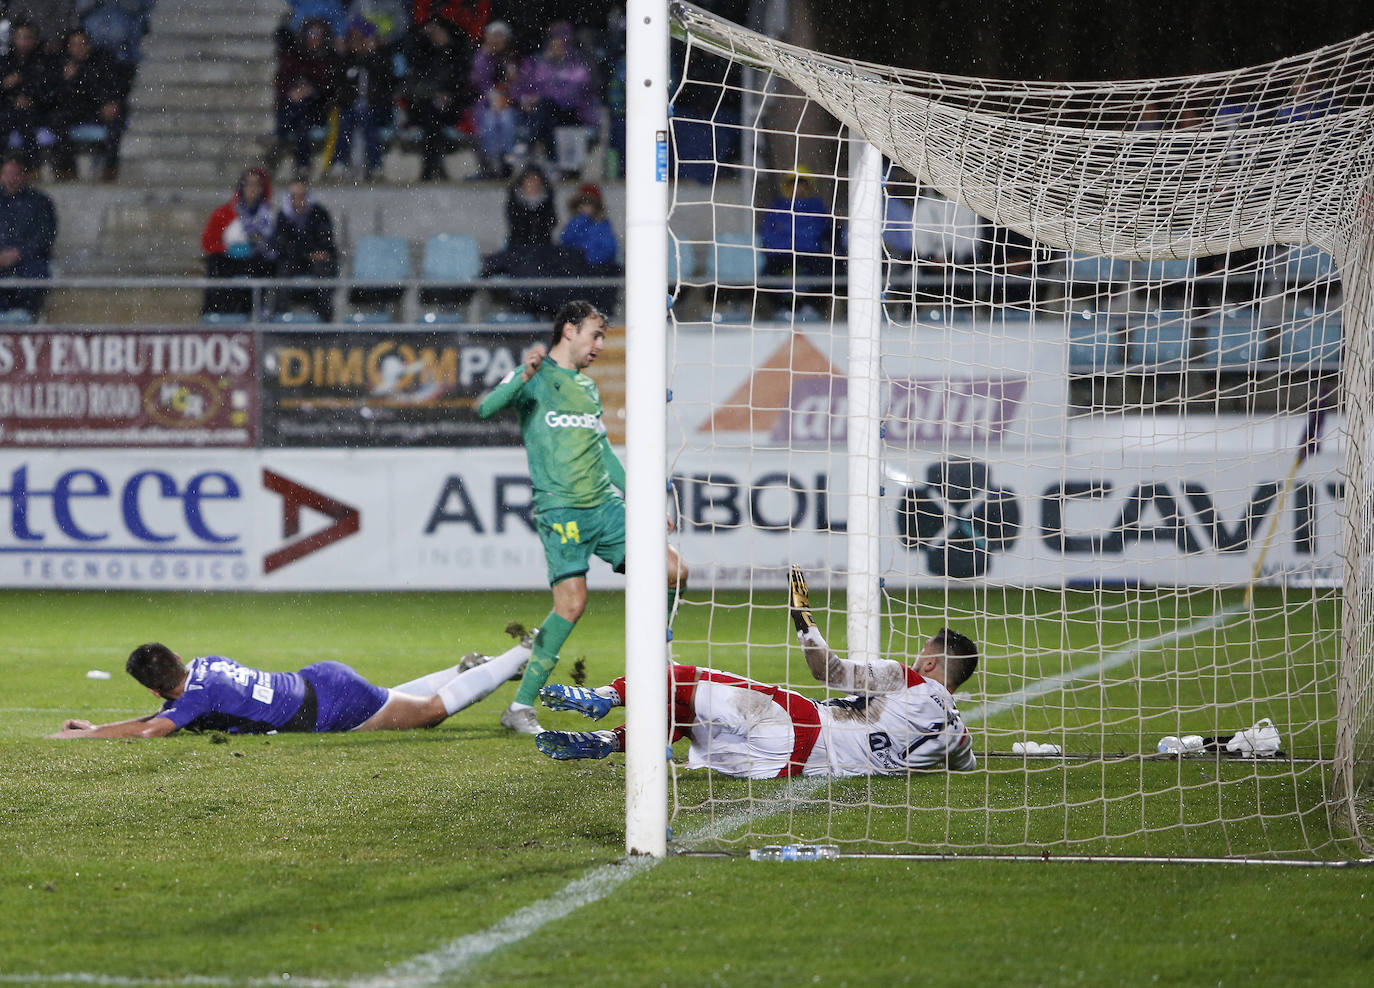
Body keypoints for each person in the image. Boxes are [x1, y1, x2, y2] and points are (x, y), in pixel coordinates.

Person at [536, 566, 977, 776]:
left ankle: (604, 696)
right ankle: (607, 740)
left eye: (922, 655)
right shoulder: (959, 738)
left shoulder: (910, 679)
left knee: (682, 678)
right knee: (687, 718)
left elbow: (826, 669)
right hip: (789, 768)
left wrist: (802, 615)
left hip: (800, 722)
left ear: (932, 663)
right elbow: (969, 768)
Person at [476, 300, 688, 735]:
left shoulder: (587, 389)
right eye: (595, 334)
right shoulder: (534, 378)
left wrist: (643, 502)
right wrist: (524, 373)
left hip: (606, 509)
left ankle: (654, 667)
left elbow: (603, 452)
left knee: (673, 571)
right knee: (571, 606)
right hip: (561, 510)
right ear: (568, 329)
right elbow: (485, 408)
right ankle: (518, 707)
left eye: (603, 337)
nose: (600, 345)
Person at [48, 634, 532, 738]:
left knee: (426, 714)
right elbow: (162, 714)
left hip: (329, 707)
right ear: (179, 656)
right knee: (395, 703)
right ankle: (464, 671)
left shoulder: (194, 700)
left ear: (154, 692)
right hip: (320, 677)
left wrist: (88, 733)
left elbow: (154, 729)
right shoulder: (206, 665)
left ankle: (524, 653)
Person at [48, 28, 129, 182]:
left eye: (82, 44)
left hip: (99, 109)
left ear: (89, 45)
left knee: (116, 123)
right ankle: (67, 169)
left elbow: (114, 86)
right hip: (76, 110)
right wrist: (66, 81)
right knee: (57, 120)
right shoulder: (61, 64)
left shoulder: (103, 60)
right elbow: (54, 97)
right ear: (69, 47)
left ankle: (110, 169)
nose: (79, 48)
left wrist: (111, 103)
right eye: (74, 45)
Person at [200, 166, 278, 316]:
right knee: (216, 265)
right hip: (230, 262)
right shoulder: (224, 214)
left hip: (257, 263)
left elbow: (275, 245)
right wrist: (228, 250)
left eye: (257, 185)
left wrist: (260, 248)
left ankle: (259, 312)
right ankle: (218, 314)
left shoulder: (269, 216)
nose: (253, 189)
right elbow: (208, 243)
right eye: (249, 184)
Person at [272, 172, 338, 321]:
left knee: (323, 271)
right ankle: (280, 318)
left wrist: (314, 252)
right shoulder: (283, 216)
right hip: (295, 260)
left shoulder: (319, 213)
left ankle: (324, 319)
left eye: (301, 196)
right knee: (283, 271)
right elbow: (282, 245)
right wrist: (307, 253)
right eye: (294, 196)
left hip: (315, 262)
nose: (298, 200)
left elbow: (326, 241)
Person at [0, 156, 57, 317]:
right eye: (7, 174)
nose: (11, 179)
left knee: (36, 275)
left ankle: (25, 318)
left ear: (23, 175)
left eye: (15, 174)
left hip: (29, 261)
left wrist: (19, 253)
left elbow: (46, 236)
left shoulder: (40, 202)